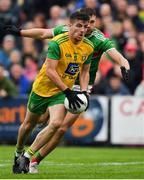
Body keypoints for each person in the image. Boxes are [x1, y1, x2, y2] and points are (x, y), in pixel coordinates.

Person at [3, 8, 130, 173]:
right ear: (72, 25)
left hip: (75, 87)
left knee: (60, 126)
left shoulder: (96, 40)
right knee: (34, 122)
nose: (87, 27)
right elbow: (43, 33)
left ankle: (31, 160)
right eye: (84, 24)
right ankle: (19, 151)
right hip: (53, 84)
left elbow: (113, 55)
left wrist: (124, 63)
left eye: (91, 23)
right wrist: (21, 32)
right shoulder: (62, 36)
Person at [11, 11, 94, 174]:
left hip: (60, 93)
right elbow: (50, 71)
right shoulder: (57, 43)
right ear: (69, 26)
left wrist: (83, 92)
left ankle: (27, 156)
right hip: (42, 89)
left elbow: (85, 71)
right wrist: (69, 91)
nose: (82, 30)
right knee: (29, 125)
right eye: (78, 26)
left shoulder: (88, 47)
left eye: (85, 27)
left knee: (56, 123)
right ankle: (18, 151)